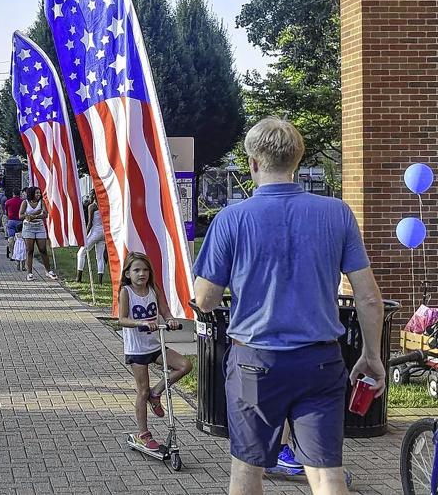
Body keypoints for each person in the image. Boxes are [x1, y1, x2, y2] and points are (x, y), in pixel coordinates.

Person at [192, 117, 385, 495]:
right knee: (327, 474)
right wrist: (372, 354)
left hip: (255, 364)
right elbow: (368, 297)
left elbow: (205, 299)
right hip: (320, 361)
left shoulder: (232, 219)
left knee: (247, 473)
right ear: (297, 160)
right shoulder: (337, 213)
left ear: (252, 163)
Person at [115, 252, 192, 452]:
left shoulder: (152, 289)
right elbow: (121, 319)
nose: (142, 274)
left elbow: (164, 309)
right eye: (137, 270)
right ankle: (143, 434)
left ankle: (156, 392)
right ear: (128, 273)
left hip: (154, 345)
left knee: (185, 365)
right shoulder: (126, 292)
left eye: (145, 270)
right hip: (137, 349)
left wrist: (170, 320)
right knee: (142, 390)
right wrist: (140, 322)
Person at [20, 186, 56, 281]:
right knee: (30, 250)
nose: (38, 195)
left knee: (43, 249)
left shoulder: (41, 202)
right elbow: (20, 215)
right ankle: (29, 273)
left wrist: (34, 216)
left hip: (39, 227)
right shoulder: (25, 202)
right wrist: (28, 216)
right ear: (31, 193)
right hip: (28, 228)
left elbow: (45, 214)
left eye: (39, 193)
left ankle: (48, 271)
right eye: (36, 193)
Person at [76, 197, 107, 284]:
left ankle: (79, 277)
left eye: (90, 195)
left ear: (94, 196)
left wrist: (85, 236)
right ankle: (100, 280)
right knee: (99, 257)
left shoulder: (92, 206)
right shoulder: (105, 205)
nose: (88, 197)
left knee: (81, 253)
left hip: (95, 232)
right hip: (103, 233)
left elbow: (89, 223)